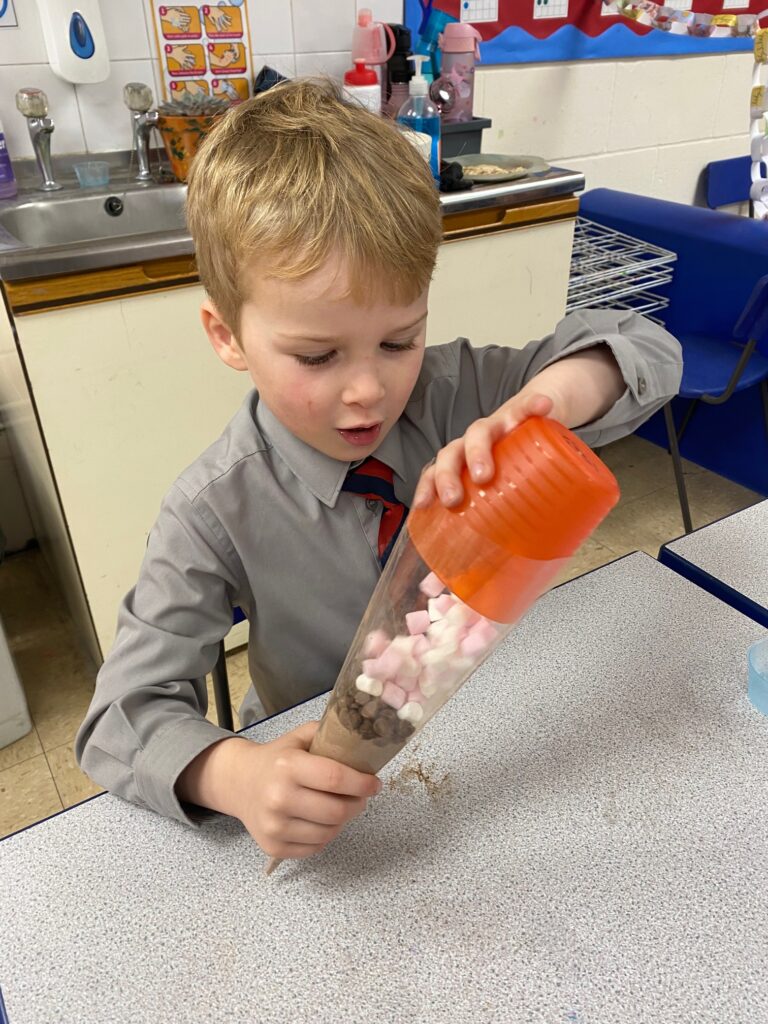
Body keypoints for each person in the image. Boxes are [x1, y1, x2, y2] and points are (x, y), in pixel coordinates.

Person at [76, 79, 682, 863]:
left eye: (398, 341)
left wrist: (548, 403)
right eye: (317, 355)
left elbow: (645, 349)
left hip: (495, 734)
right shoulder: (214, 508)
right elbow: (120, 716)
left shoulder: (458, 393)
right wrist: (237, 776)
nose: (369, 390)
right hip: (335, 772)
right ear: (227, 336)